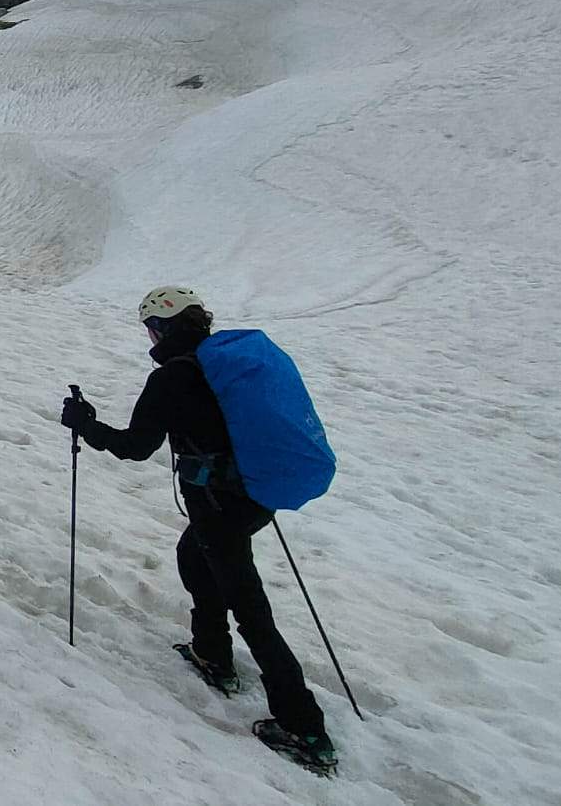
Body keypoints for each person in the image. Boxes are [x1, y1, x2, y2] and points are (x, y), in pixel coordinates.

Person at [60, 287, 336, 769]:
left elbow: (134, 447)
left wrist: (86, 425)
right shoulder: (226, 365)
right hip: (252, 498)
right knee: (194, 556)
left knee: (251, 608)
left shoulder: (173, 379)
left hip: (217, 504)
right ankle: (212, 651)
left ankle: (305, 728)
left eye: (150, 326)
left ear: (162, 328)